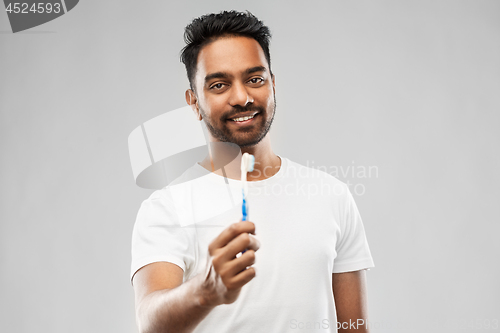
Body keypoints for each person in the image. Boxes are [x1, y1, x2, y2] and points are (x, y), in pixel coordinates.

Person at [131, 10, 374, 333]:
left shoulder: (332, 195)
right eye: (219, 85)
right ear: (193, 102)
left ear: (273, 85)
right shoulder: (167, 207)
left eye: (255, 79)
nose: (242, 97)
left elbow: (354, 326)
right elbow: (149, 322)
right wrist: (205, 291)